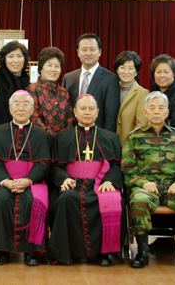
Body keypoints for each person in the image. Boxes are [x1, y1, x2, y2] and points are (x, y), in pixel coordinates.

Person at [121, 92, 175, 269]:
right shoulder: (134, 137)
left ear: (167, 113)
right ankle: (142, 252)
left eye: (161, 108)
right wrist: (143, 183)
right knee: (139, 202)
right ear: (145, 112)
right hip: (146, 186)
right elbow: (127, 168)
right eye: (152, 108)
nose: (156, 112)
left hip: (173, 187)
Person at [48, 94, 123, 266]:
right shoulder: (62, 137)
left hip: (101, 184)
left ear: (97, 112)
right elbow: (55, 166)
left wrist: (110, 181)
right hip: (73, 183)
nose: (87, 112)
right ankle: (67, 253)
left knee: (108, 199)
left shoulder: (111, 138)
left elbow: (117, 165)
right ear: (75, 112)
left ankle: (103, 253)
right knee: (67, 198)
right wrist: (63, 179)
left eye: (91, 109)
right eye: (83, 108)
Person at [0, 90, 53, 266]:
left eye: (25, 104)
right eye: (16, 104)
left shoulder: (42, 134)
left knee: (33, 201)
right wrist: (6, 181)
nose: (21, 108)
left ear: (32, 109)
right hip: (3, 181)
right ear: (10, 109)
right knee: (0, 199)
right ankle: (0, 251)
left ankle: (31, 252)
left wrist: (28, 180)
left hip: (32, 182)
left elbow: (44, 163)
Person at [62, 33, 120, 132]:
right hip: (72, 136)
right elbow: (64, 111)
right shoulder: (68, 78)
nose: (88, 53)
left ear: (100, 52)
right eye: (84, 49)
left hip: (98, 137)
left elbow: (111, 116)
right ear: (78, 52)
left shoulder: (110, 79)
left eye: (92, 49)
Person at [26, 47, 74, 136]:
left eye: (57, 66)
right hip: (41, 141)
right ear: (41, 67)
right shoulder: (32, 89)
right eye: (49, 65)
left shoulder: (64, 92)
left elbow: (70, 119)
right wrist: (53, 136)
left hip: (63, 142)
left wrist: (64, 136)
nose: (53, 69)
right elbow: (33, 118)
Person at [113, 51, 149, 144]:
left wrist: (129, 146)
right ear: (117, 70)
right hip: (109, 145)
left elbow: (141, 125)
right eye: (122, 67)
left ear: (136, 72)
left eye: (130, 68)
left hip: (130, 146)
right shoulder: (109, 89)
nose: (126, 72)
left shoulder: (143, 93)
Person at [149, 54, 175, 131]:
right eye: (158, 72)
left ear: (174, 74)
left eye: (166, 72)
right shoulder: (151, 93)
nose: (162, 76)